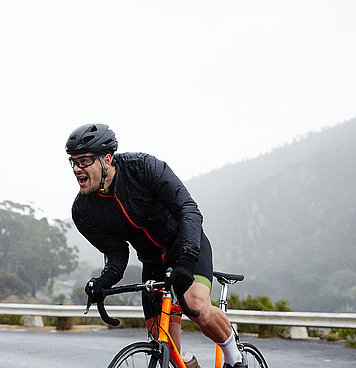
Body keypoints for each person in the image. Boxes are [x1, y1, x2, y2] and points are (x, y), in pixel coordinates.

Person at [66, 123, 247, 368]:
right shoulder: (84, 210)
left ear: (106, 159)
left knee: (197, 307)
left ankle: (235, 357)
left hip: (187, 248)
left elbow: (189, 211)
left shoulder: (143, 168)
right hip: (153, 263)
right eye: (73, 162)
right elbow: (116, 252)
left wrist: (185, 260)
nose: (77, 169)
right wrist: (104, 280)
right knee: (164, 344)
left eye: (84, 161)